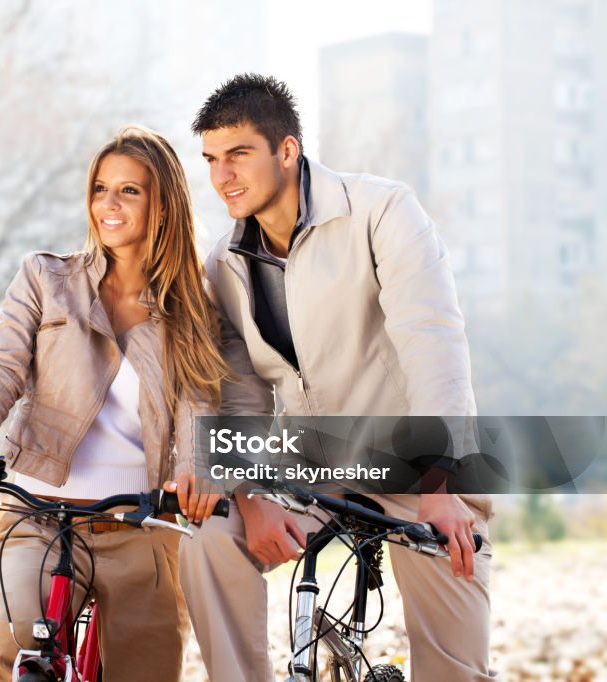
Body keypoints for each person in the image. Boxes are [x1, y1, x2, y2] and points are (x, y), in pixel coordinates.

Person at [174, 74, 495, 681]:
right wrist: (250, 496)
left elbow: (433, 342)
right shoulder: (224, 264)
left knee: (456, 667)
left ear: (287, 150)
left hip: (411, 462)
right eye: (212, 160)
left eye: (239, 154)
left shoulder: (381, 211)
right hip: (310, 462)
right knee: (211, 540)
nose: (223, 177)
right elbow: (239, 391)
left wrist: (438, 483)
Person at [0, 125, 228, 682]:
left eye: (129, 191)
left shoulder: (190, 308)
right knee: (7, 643)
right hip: (38, 516)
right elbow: (1, 371)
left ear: (163, 206)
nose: (108, 205)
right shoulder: (46, 279)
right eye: (100, 188)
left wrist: (197, 471)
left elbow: (200, 403)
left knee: (150, 668)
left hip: (139, 524)